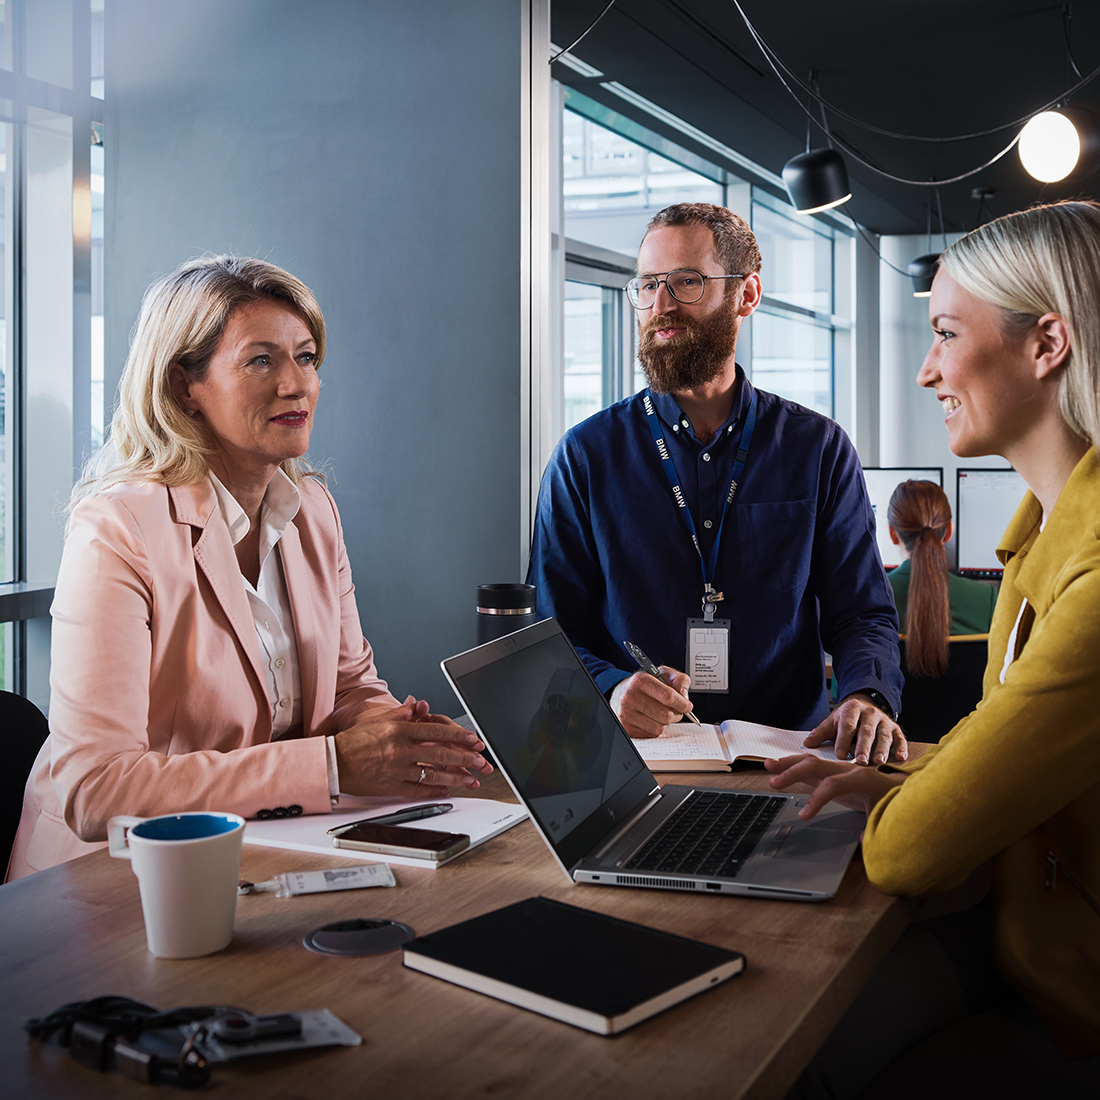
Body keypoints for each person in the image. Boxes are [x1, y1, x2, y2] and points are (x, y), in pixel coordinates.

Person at [7, 256, 491, 881]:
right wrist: (335, 766)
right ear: (185, 385)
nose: (297, 384)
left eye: (307, 356)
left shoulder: (312, 508)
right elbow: (96, 788)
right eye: (262, 360)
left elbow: (349, 686)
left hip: (269, 852)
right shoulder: (117, 528)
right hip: (110, 884)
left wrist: (400, 738)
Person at [769, 201, 1100, 1095]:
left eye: (947, 333)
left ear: (1048, 345)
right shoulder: (1039, 541)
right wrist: (907, 778)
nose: (926, 372)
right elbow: (998, 741)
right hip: (1023, 934)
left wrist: (901, 801)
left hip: (1073, 994)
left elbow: (905, 856)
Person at [527, 203, 905, 766]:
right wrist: (610, 688)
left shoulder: (818, 449)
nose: (660, 306)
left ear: (746, 295)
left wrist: (867, 697)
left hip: (790, 764)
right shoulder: (585, 457)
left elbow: (862, 614)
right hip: (637, 768)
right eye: (649, 285)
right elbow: (549, 630)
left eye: (686, 282)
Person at [885, 478, 996, 676]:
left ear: (893, 534)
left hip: (891, 708)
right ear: (948, 532)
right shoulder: (987, 598)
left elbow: (844, 689)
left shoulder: (870, 597)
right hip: (972, 708)